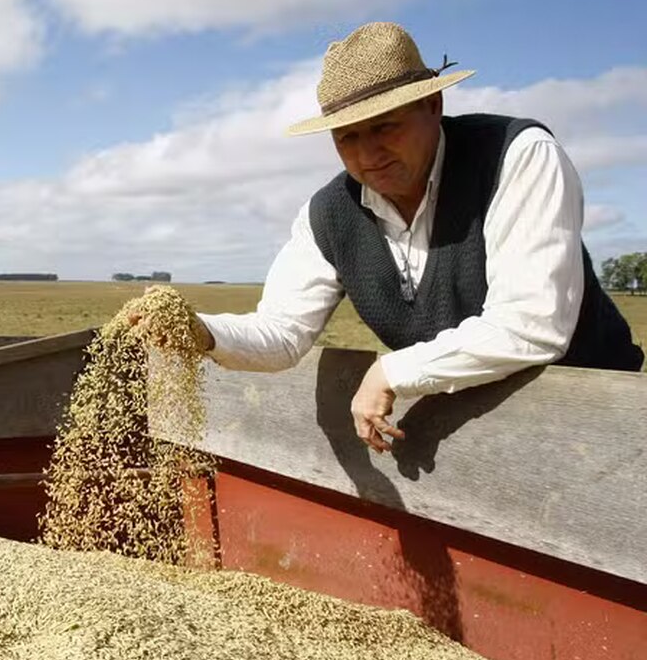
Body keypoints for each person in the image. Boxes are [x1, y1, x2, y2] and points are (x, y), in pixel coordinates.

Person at [136, 22, 643, 454]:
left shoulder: (517, 157)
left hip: (598, 425)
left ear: (433, 104)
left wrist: (391, 372)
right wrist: (198, 330)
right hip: (465, 429)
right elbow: (283, 332)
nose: (367, 154)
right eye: (347, 137)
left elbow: (533, 324)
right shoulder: (329, 213)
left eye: (385, 126)